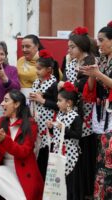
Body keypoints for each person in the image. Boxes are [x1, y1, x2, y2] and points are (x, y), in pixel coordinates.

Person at [59, 26, 97, 199]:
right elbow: (69, 82)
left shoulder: (90, 61)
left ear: (81, 46)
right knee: (74, 145)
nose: (69, 50)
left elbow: (86, 87)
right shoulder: (71, 62)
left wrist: (69, 87)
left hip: (87, 109)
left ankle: (87, 188)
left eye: (72, 46)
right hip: (73, 107)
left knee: (85, 145)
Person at [0, 89, 44, 200]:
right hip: (6, 170)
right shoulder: (1, 121)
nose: (1, 103)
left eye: (6, 100)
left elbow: (23, 152)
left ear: (16, 104)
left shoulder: (30, 124)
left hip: (25, 171)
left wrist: (5, 140)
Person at [80, 21, 112, 200]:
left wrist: (98, 74)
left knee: (108, 154)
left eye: (101, 40)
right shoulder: (100, 60)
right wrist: (92, 75)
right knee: (101, 156)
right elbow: (91, 89)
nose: (98, 44)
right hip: (101, 111)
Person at [47, 81, 82, 200]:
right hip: (58, 150)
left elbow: (77, 135)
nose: (57, 103)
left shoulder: (75, 117)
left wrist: (64, 129)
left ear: (69, 103)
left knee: (70, 180)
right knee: (59, 178)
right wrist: (51, 128)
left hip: (70, 152)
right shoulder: (60, 115)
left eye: (59, 101)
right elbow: (56, 135)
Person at [29, 49, 58, 179]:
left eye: (40, 69)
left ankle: (46, 180)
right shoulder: (36, 82)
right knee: (37, 149)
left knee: (47, 151)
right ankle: (38, 179)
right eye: (37, 68)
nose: (37, 71)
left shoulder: (54, 84)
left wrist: (42, 100)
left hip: (48, 122)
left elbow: (58, 105)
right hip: (36, 120)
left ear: (49, 70)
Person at [17, 34, 44, 101]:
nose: (24, 49)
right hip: (21, 99)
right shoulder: (20, 60)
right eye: (22, 47)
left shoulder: (45, 61)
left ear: (37, 46)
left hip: (38, 99)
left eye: (27, 46)